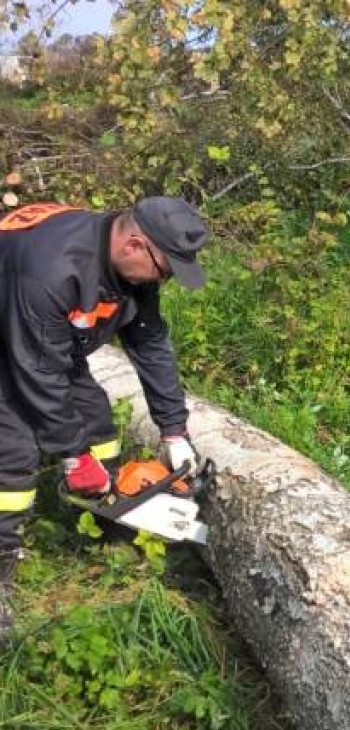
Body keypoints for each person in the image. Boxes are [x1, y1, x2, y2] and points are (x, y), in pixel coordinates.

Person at [0, 197, 210, 636]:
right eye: (165, 270)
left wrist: (174, 430)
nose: (164, 281)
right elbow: (36, 374)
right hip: (10, 336)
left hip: (42, 339)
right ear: (135, 245)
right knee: (13, 460)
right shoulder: (52, 269)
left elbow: (149, 343)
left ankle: (106, 517)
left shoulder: (131, 270)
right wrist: (75, 458)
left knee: (96, 425)